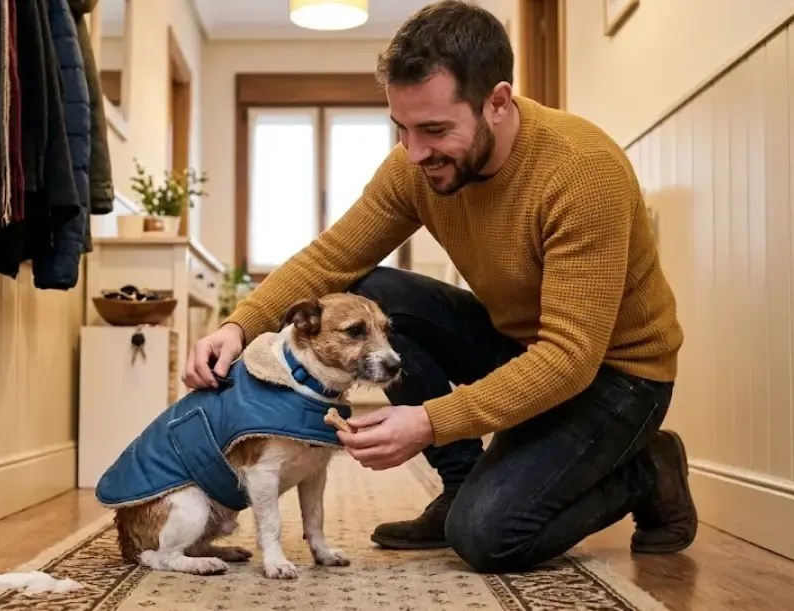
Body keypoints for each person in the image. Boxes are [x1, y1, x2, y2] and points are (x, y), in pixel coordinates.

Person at [183, 0, 695, 574]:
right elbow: (331, 259)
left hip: (616, 375)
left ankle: (647, 471)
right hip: (522, 346)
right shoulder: (414, 166)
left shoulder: (581, 171)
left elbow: (570, 358)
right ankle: (460, 482)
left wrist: (430, 421)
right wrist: (238, 325)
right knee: (372, 289)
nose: (414, 151)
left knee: (486, 536)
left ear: (497, 102)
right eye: (401, 128)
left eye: (433, 129)